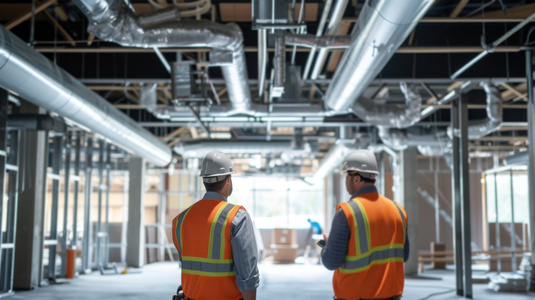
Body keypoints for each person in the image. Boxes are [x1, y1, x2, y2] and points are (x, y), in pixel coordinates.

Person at [321, 149, 409, 300]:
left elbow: (331, 261)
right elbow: (404, 255)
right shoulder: (398, 211)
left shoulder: (347, 213)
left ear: (356, 179)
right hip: (391, 296)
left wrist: (327, 247)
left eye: (348, 175)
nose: (346, 180)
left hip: (355, 296)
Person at [172, 151, 259, 300]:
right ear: (228, 180)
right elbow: (247, 272)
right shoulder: (236, 217)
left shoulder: (181, 219)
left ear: (204, 181)